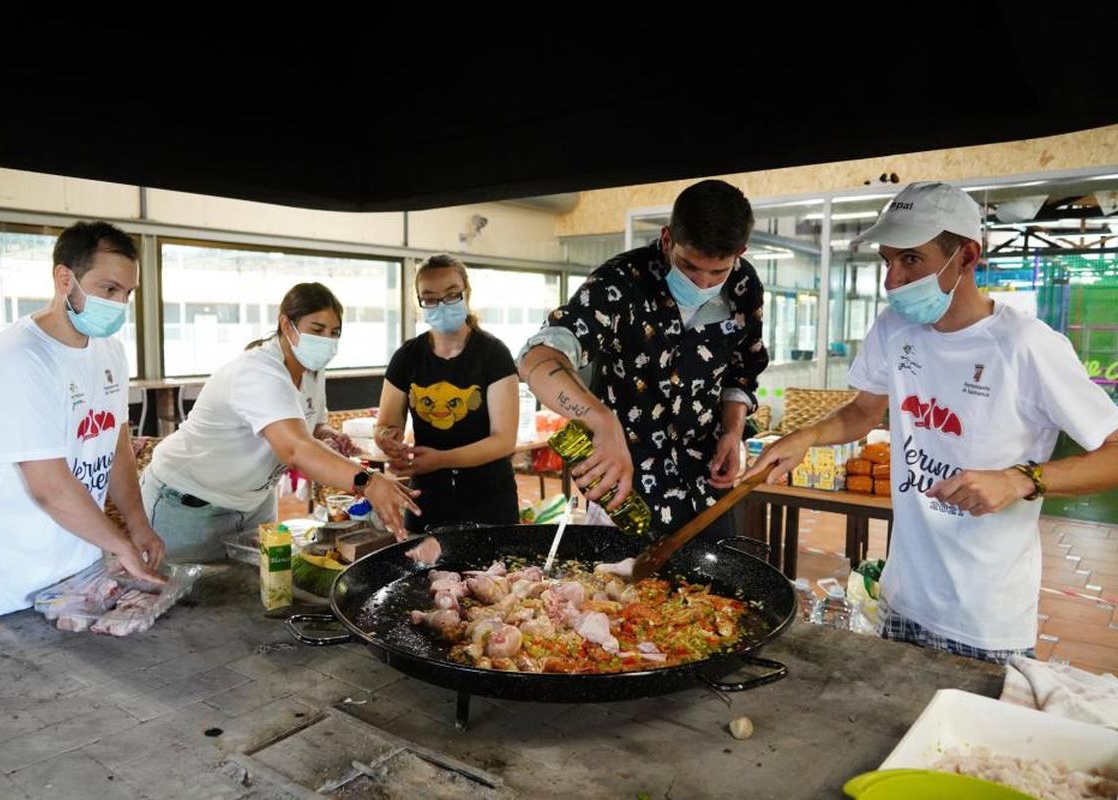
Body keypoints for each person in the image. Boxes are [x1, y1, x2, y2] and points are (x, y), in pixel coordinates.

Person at [745, 181, 1118, 663]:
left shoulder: (1026, 346)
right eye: (887, 260)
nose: (892, 280)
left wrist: (1021, 479)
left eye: (911, 260)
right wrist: (807, 436)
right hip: (904, 598)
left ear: (966, 256)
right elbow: (863, 411)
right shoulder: (894, 328)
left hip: (985, 618)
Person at [518, 179, 770, 534]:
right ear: (667, 240)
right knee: (614, 587)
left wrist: (732, 430)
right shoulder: (619, 283)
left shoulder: (744, 288)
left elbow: (742, 372)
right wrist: (600, 420)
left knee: (715, 586)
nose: (701, 283)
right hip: (627, 490)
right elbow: (537, 359)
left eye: (717, 272)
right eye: (689, 267)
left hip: (706, 488)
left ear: (740, 253)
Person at [0, 221, 167, 618]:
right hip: (10, 589)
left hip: (77, 576)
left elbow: (114, 441)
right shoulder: (20, 358)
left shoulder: (110, 351)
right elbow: (48, 486)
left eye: (128, 293)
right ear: (65, 278)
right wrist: (120, 544)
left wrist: (136, 521)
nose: (120, 304)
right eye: (108, 289)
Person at [142, 282, 419, 560]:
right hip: (189, 503)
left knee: (258, 589)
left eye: (334, 333)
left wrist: (327, 436)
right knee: (185, 597)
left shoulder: (311, 370)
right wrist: (369, 482)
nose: (327, 340)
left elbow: (310, 427)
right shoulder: (258, 371)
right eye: (317, 329)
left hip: (252, 502)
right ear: (287, 325)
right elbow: (295, 449)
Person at [375, 254, 519, 532]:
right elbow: (385, 425)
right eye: (429, 298)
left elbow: (504, 441)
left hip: (489, 496)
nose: (441, 305)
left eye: (451, 295)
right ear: (419, 303)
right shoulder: (407, 357)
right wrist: (386, 439)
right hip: (426, 497)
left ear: (467, 294)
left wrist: (441, 460)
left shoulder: (493, 354)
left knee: (495, 574)